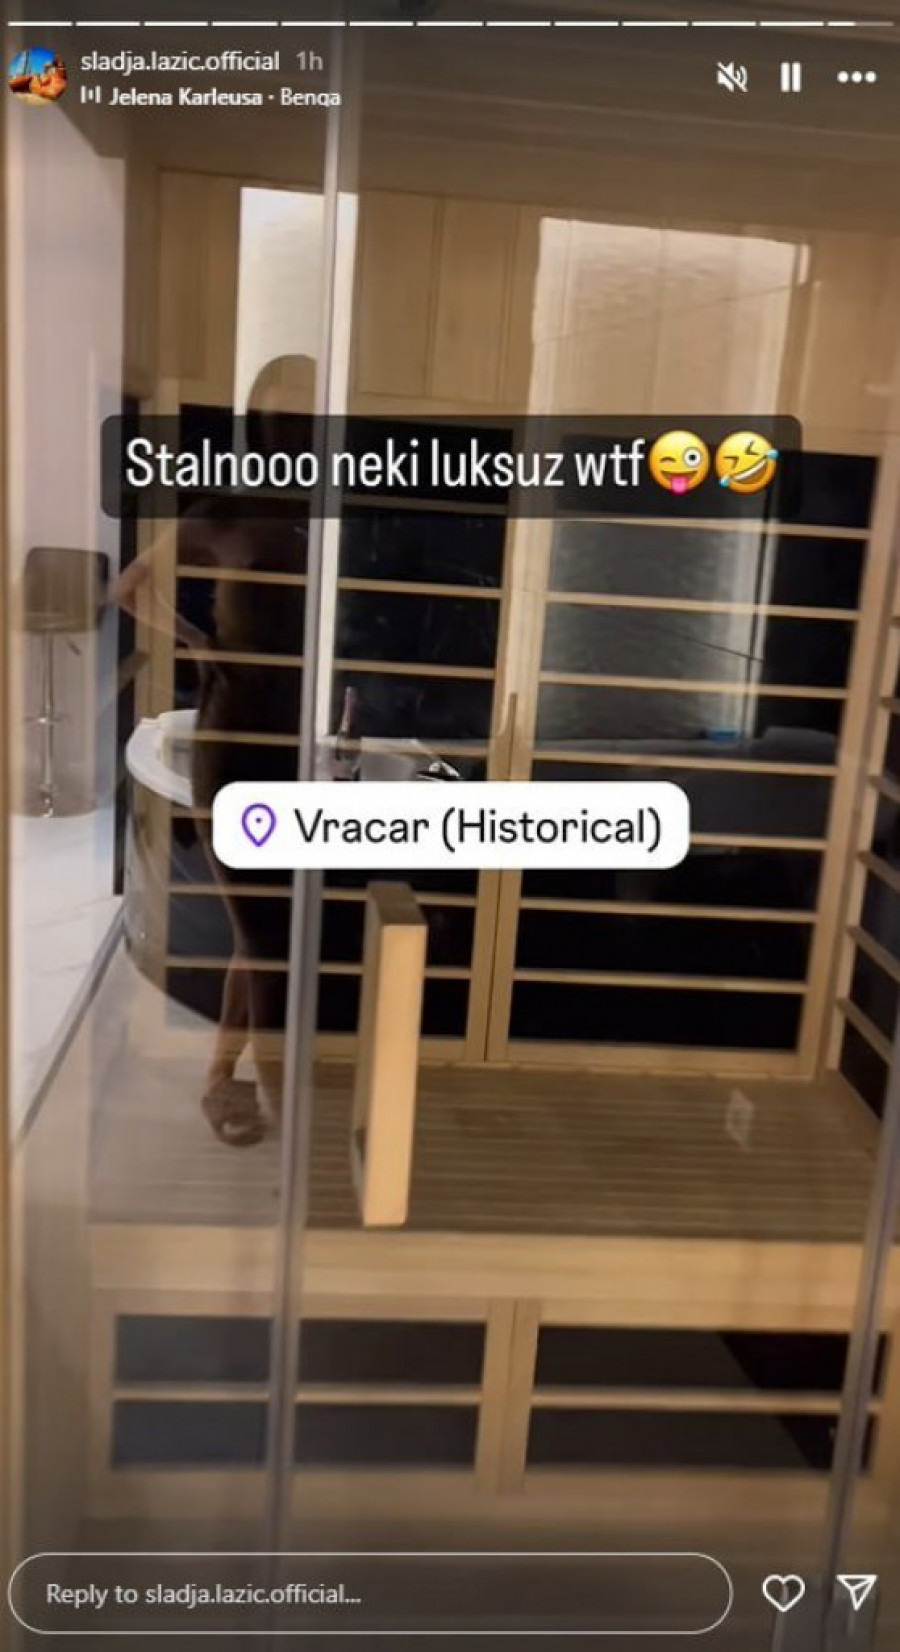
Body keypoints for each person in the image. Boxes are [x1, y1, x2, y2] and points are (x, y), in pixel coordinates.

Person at [114, 357, 314, 1145]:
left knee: (264, 929)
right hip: (233, 737)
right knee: (264, 935)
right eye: (284, 414)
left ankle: (224, 1080)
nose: (297, 428)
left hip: (294, 742)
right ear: (259, 422)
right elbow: (132, 585)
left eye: (309, 414)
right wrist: (198, 641)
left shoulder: (320, 513)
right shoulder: (225, 508)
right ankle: (275, 1100)